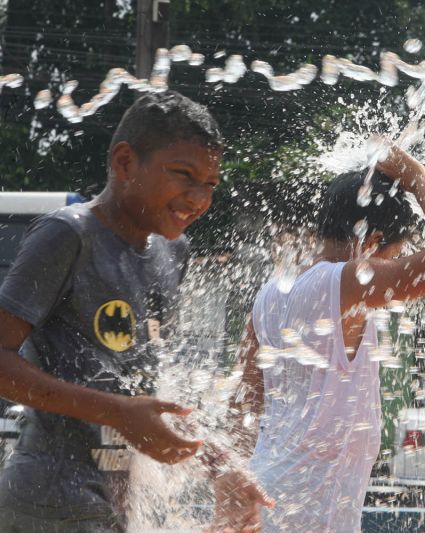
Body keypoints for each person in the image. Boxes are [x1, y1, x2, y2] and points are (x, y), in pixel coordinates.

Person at [0, 91, 272, 532]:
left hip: (118, 501)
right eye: (183, 174)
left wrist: (218, 463)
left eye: (210, 184)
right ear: (125, 162)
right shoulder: (68, 235)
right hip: (50, 498)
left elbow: (144, 379)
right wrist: (118, 413)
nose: (198, 197)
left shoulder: (173, 251)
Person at [226, 142, 425, 532]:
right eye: (398, 253)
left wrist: (229, 497)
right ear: (372, 241)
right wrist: (418, 177)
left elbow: (240, 409)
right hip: (301, 518)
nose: (398, 265)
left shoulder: (270, 295)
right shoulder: (346, 282)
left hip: (267, 502)